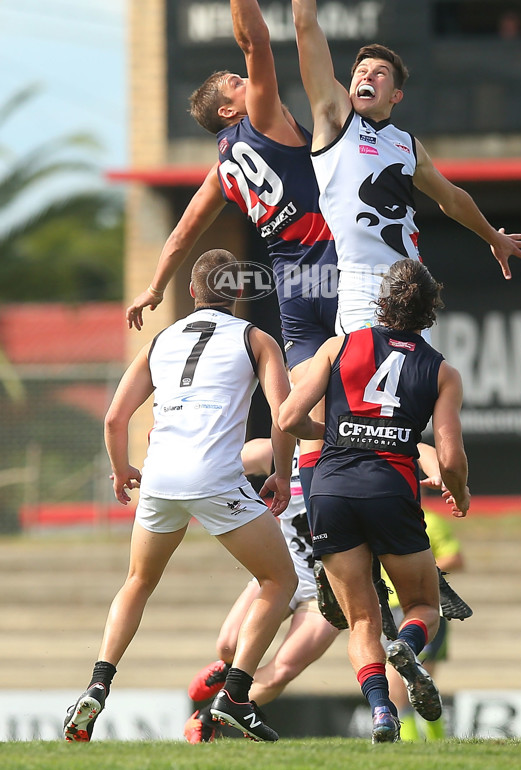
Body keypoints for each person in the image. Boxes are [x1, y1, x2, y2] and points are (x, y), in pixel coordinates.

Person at [125, 0, 336, 510]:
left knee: (304, 406)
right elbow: (257, 42)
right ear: (227, 109)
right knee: (380, 380)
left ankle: (313, 511)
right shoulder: (262, 119)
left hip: (294, 282)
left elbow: (180, 235)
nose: (248, 81)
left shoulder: (222, 168)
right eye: (237, 83)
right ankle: (388, 501)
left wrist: (152, 288)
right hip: (333, 259)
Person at [63, 249, 297, 744]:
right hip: (215, 478)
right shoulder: (256, 338)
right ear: (237, 291)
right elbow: (283, 415)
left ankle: (97, 686)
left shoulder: (162, 340)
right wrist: (281, 472)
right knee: (280, 579)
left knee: (137, 582)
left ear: (191, 293)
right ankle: (235, 695)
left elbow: (113, 419)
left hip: (160, 479)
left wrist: (121, 468)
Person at [277, 0, 521, 334]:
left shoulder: (405, 144)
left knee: (419, 396)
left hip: (413, 287)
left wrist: (494, 237)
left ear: (395, 95)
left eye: (379, 73)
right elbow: (305, 24)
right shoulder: (336, 117)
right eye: (361, 69)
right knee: (359, 397)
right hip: (361, 286)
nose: (367, 75)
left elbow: (452, 198)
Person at [279, 258, 470, 745]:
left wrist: (339, 435)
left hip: (331, 490)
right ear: (431, 312)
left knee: (361, 618)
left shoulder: (338, 345)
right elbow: (449, 458)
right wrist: (459, 491)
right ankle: (406, 648)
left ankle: (381, 711)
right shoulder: (442, 371)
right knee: (425, 604)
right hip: (392, 489)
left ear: (383, 302)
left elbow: (287, 417)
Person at [182, 438, 340, 743]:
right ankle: (228, 666)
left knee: (282, 670)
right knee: (228, 644)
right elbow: (208, 463)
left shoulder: (353, 451)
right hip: (283, 572)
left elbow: (418, 451)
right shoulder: (276, 453)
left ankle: (207, 717)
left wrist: (437, 469)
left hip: (331, 590)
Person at [384, 506, 466, 740]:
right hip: (388, 608)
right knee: (395, 674)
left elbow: (455, 558)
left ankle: (434, 737)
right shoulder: (376, 519)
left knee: (420, 677)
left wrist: (418, 571)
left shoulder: (430, 522)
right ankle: (411, 739)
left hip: (424, 604)